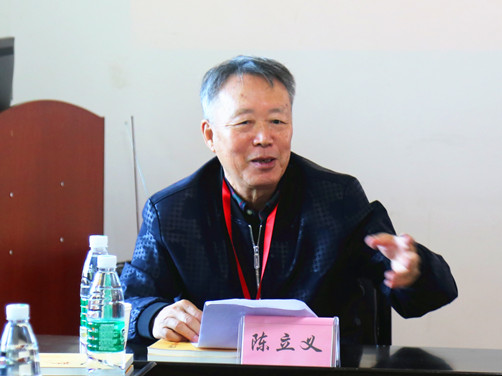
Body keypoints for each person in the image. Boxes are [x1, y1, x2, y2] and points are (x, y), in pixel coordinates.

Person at [120, 55, 457, 346]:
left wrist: (414, 272)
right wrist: (154, 316)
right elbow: (127, 302)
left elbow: (428, 295)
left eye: (277, 121)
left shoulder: (337, 200)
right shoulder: (173, 212)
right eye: (245, 123)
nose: (264, 138)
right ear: (210, 135)